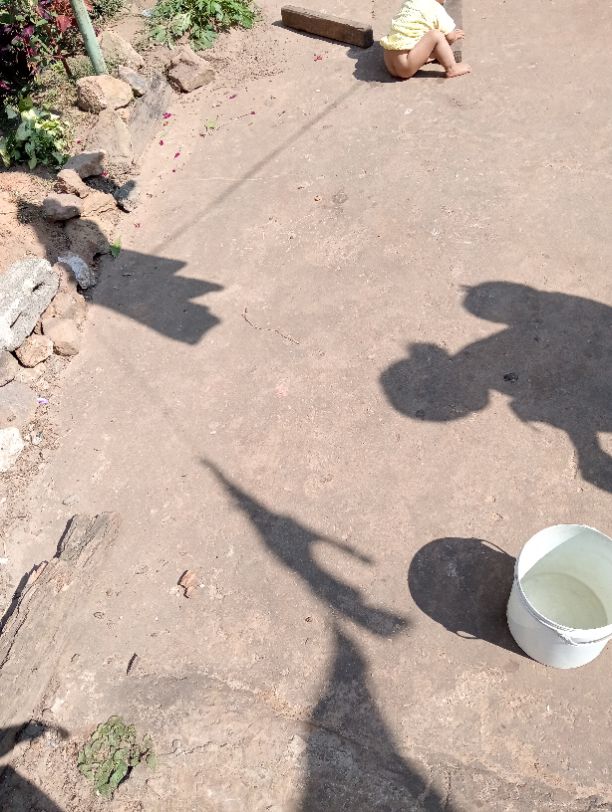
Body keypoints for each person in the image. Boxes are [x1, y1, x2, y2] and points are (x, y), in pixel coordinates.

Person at [381, 0, 471, 79]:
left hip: (388, 61)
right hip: (406, 66)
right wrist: (454, 35)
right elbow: (450, 38)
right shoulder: (435, 7)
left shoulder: (409, 3)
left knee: (411, 33)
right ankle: (452, 68)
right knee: (436, 35)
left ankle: (426, 57)